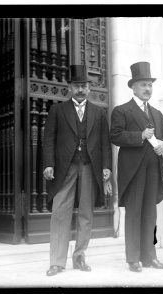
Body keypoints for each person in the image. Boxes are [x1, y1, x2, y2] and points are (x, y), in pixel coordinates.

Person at [43, 65, 112, 276]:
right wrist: (48, 164)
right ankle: (56, 262)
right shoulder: (57, 110)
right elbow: (48, 140)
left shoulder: (99, 113)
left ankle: (80, 257)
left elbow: (104, 143)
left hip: (90, 166)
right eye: (76, 86)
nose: (80, 90)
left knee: (86, 213)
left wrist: (107, 167)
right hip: (65, 167)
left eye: (84, 86)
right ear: (70, 88)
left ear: (89, 88)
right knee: (60, 212)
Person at [110, 61, 163, 272]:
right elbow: (115, 135)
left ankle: (149, 257)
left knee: (150, 214)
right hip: (133, 171)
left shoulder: (155, 113)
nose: (147, 89)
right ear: (133, 87)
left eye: (150, 85)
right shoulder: (121, 111)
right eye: (143, 85)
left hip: (153, 169)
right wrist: (139, 136)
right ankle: (133, 259)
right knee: (134, 214)